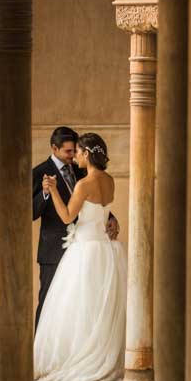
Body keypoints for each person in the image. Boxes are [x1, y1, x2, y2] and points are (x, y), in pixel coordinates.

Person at [33, 132, 127, 381]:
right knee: (97, 309)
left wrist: (52, 190)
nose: (76, 157)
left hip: (85, 251)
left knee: (77, 307)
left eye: (79, 152)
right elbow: (102, 212)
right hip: (106, 250)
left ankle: (77, 357)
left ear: (86, 153)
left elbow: (66, 216)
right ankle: (97, 354)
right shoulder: (109, 180)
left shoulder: (84, 183)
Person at [31, 126, 118, 329]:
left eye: (75, 151)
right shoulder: (40, 172)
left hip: (84, 249)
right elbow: (31, 212)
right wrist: (46, 193)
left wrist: (110, 217)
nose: (72, 156)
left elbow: (92, 203)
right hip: (54, 249)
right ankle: (39, 352)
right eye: (68, 151)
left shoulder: (82, 171)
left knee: (81, 307)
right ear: (54, 148)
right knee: (48, 304)